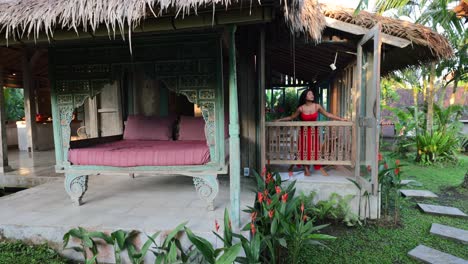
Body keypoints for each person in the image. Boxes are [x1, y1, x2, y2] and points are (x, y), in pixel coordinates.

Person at [275, 89, 346, 176]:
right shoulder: (301, 108)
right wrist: (279, 119)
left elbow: (328, 115)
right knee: (304, 149)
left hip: (314, 133)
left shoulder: (317, 106)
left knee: (315, 149)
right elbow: (291, 117)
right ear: (305, 97)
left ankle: (317, 166)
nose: (312, 95)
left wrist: (341, 119)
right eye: (310, 94)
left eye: (312, 94)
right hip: (304, 133)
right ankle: (306, 168)